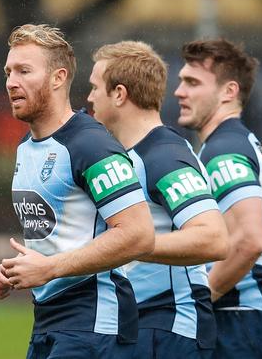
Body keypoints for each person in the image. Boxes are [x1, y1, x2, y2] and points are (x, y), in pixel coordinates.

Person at [0, 24, 155, 359]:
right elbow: (63, 234)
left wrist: (50, 268)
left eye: (24, 71)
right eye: (8, 72)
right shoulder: (26, 147)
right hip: (49, 320)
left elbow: (139, 234)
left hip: (95, 321)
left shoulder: (90, 144)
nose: (11, 82)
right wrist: (15, 270)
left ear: (58, 77)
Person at [87, 40, 228, 358]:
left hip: (169, 329)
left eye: (95, 88)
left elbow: (213, 238)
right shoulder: (129, 155)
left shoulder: (164, 153)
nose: (89, 97)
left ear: (119, 94)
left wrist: (131, 243)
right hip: (141, 325)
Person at [175, 38, 262, 358]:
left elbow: (252, 240)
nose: (179, 92)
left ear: (229, 91)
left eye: (192, 82)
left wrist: (202, 300)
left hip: (241, 324)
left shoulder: (223, 149)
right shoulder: (246, 143)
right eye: (182, 81)